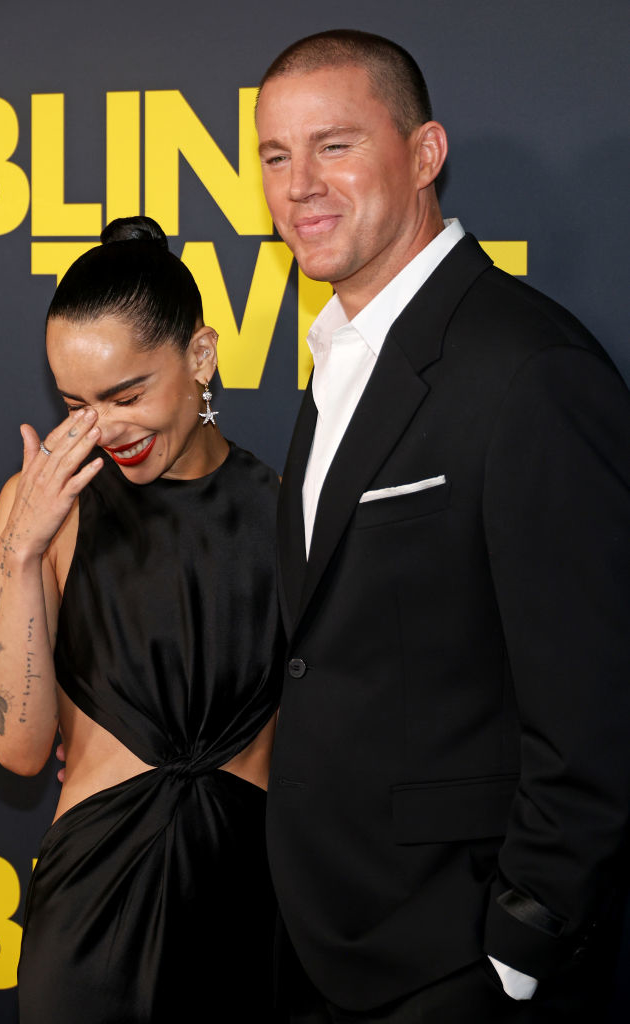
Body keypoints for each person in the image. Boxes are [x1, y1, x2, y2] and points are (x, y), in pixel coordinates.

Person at [255, 28, 630, 1024]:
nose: (300, 185)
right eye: (275, 156)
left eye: (334, 145)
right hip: (325, 929)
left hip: (455, 956)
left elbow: (595, 696)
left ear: (424, 155)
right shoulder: (340, 351)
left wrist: (520, 938)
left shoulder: (528, 367)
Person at [0, 216, 283, 1023]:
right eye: (76, 404)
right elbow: (16, 750)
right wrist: (19, 556)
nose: (106, 430)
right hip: (91, 924)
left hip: (247, 917)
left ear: (201, 356)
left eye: (126, 395)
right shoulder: (45, 510)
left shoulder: (289, 513)